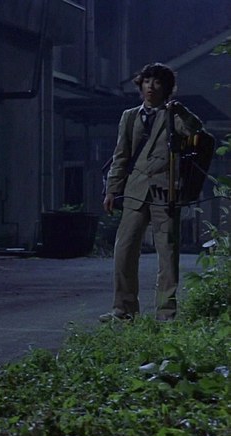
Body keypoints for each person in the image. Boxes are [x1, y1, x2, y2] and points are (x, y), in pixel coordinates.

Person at [101, 62, 203, 322]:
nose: (151, 86)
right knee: (124, 250)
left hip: (166, 192)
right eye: (147, 81)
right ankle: (123, 309)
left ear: (166, 87)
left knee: (167, 254)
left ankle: (166, 313)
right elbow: (121, 156)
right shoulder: (129, 116)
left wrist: (180, 110)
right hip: (135, 191)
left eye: (157, 82)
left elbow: (194, 129)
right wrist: (112, 190)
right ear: (141, 84)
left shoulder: (173, 115)